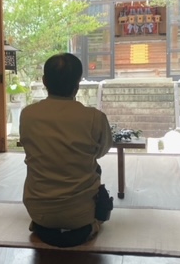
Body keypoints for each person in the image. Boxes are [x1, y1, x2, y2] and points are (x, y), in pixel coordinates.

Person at [20, 53, 113, 248]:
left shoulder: (27, 114)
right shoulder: (94, 118)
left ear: (44, 81)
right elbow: (101, 151)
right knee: (95, 169)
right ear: (77, 84)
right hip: (81, 215)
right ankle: (90, 226)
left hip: (38, 211)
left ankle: (46, 224)